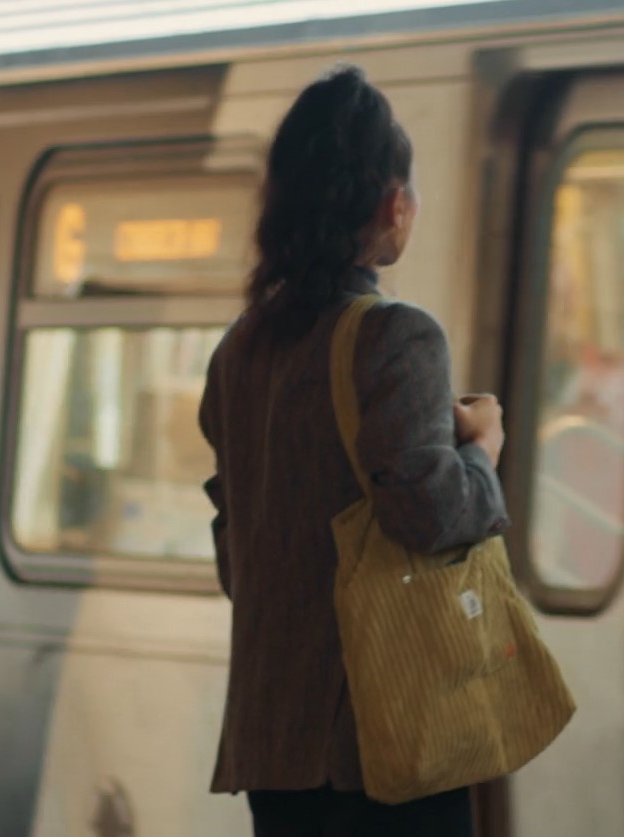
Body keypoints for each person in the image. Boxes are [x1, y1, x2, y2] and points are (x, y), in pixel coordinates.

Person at [198, 65, 510, 837]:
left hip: (273, 739)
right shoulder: (395, 334)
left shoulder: (240, 349)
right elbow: (428, 512)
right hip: (377, 732)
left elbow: (236, 542)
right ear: (391, 205)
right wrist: (482, 451)